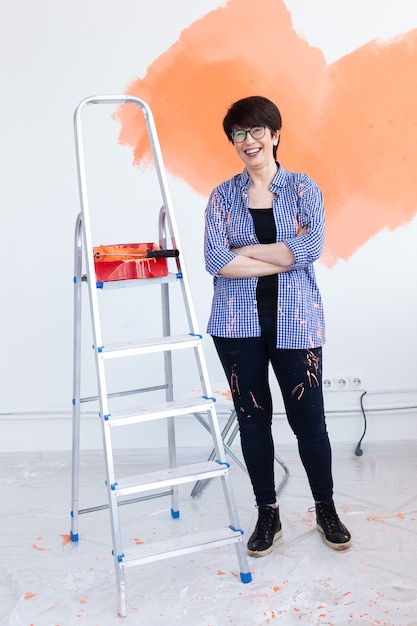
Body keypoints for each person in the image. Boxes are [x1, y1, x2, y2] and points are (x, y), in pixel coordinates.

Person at [204, 95, 351, 557]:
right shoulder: (221, 197)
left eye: (256, 131)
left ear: (275, 133)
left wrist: (246, 254)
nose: (249, 141)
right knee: (253, 421)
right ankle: (267, 513)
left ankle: (325, 507)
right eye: (239, 134)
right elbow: (215, 261)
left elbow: (308, 252)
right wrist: (283, 255)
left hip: (297, 322)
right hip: (235, 323)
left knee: (309, 421)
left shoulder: (305, 190)